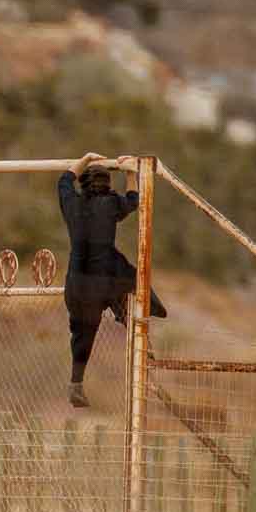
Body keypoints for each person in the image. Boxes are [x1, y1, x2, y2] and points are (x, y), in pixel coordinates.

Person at [58, 151, 167, 408]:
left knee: (82, 333)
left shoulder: (71, 205)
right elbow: (133, 199)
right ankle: (140, 335)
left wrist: (83, 159)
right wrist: (129, 171)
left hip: (76, 283)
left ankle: (76, 382)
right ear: (107, 185)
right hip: (107, 277)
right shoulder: (109, 204)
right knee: (132, 287)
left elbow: (63, 181)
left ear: (83, 184)